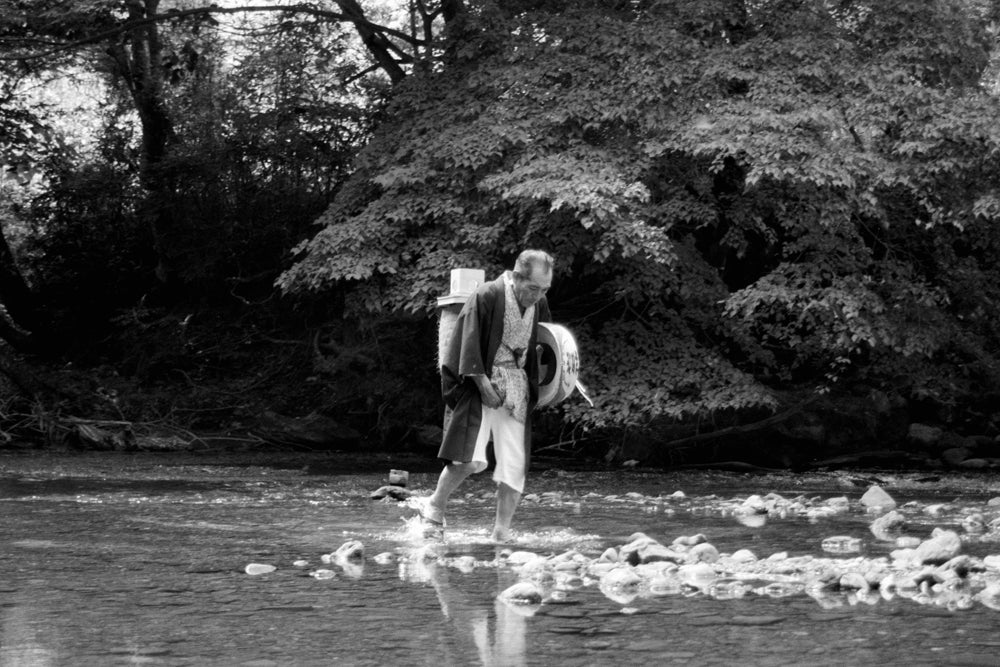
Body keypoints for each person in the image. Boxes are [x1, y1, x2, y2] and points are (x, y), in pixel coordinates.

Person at [422, 249, 560, 543]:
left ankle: (501, 532)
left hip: (518, 384)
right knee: (468, 460)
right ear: (517, 277)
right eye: (533, 288)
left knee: (514, 466)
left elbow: (547, 344)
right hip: (481, 381)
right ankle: (434, 505)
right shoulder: (487, 295)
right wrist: (483, 385)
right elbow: (467, 343)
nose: (538, 295)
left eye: (544, 290)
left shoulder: (540, 303)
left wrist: (553, 378)